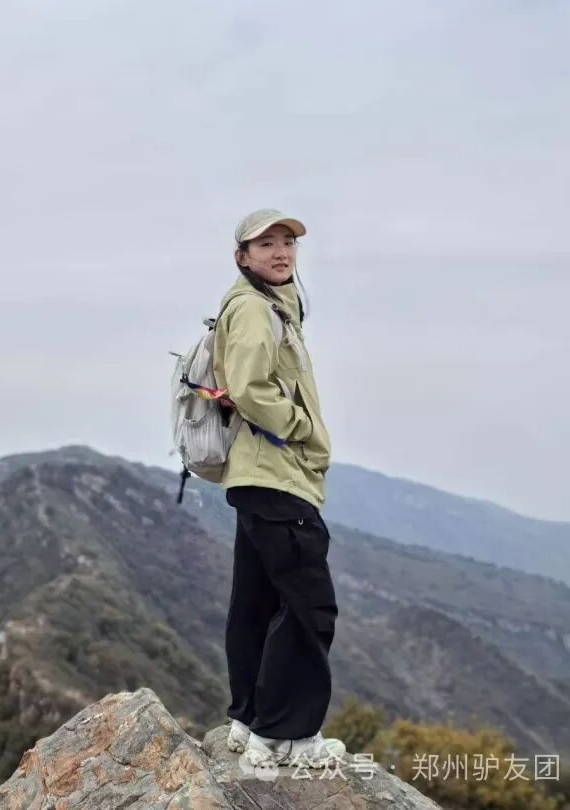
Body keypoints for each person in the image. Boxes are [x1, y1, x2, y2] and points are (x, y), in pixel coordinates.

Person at [211, 208, 345, 768]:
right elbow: (248, 386)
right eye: (265, 243)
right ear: (242, 257)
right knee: (310, 607)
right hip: (276, 474)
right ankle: (287, 735)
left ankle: (248, 719)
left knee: (257, 602)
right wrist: (302, 428)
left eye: (287, 241)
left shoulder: (271, 306)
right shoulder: (253, 309)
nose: (281, 251)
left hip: (259, 476)